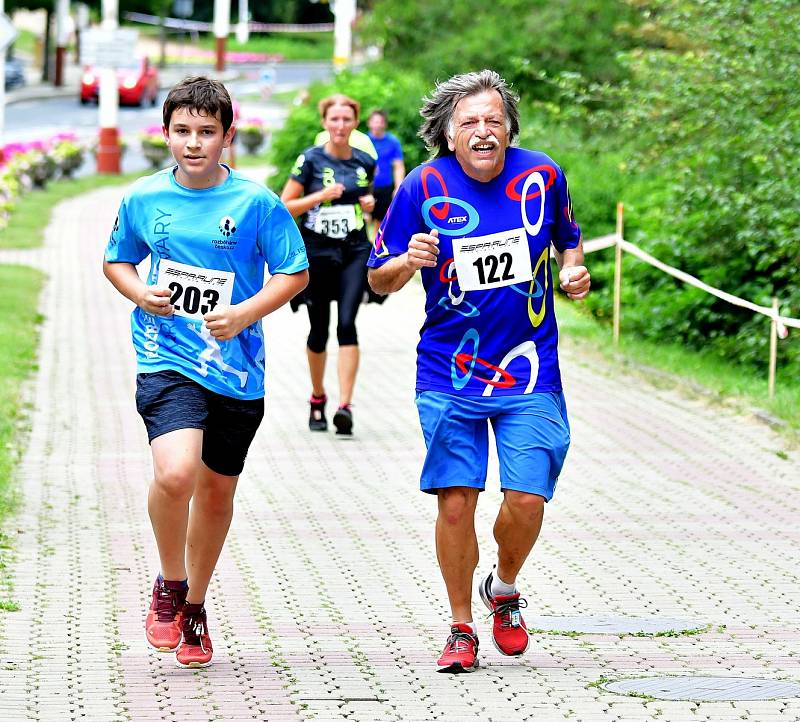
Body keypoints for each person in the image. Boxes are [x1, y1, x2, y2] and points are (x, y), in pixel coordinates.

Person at [367, 69, 590, 673]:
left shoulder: (542, 175)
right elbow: (376, 277)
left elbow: (569, 239)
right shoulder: (422, 186)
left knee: (526, 499)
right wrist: (405, 262)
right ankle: (461, 624)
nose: (483, 131)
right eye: (469, 122)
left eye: (494, 120)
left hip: (529, 367)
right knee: (457, 501)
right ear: (446, 131)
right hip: (449, 370)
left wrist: (573, 272)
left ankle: (505, 586)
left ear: (510, 127)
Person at [102, 76, 309, 669]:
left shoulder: (256, 203)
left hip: (238, 371)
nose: (193, 143)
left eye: (206, 132)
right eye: (182, 131)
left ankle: (194, 607)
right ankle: (170, 584)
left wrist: (243, 313)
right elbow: (117, 259)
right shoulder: (143, 198)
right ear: (166, 133)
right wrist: (140, 293)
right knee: (176, 474)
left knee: (216, 492)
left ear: (227, 137)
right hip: (166, 356)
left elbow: (293, 273)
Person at [280, 94, 376, 436]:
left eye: (346, 120)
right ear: (324, 123)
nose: (340, 126)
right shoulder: (309, 160)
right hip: (317, 252)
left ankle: (345, 406)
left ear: (355, 123)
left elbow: (371, 208)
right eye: (334, 119)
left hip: (354, 250)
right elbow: (284, 205)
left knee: (347, 324)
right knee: (319, 330)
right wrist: (319, 197)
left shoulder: (365, 161)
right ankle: (318, 397)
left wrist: (369, 204)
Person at [366, 109, 405, 235]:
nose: (377, 125)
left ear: (385, 124)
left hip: (385, 188)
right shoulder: (364, 141)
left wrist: (398, 187)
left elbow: (398, 166)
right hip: (366, 188)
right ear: (369, 123)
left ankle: (377, 247)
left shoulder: (393, 141)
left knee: (383, 222)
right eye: (374, 122)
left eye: (380, 122)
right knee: (365, 220)